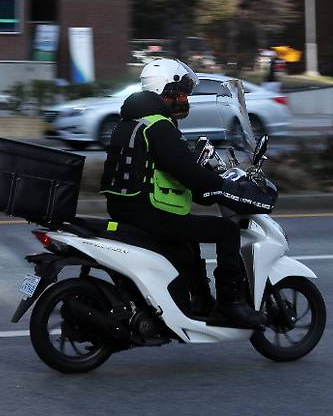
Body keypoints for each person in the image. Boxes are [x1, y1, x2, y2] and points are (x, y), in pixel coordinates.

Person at [101, 58, 274, 329]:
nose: (186, 100)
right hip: (149, 214)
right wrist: (222, 187)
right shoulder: (159, 127)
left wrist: (205, 187)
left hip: (128, 209)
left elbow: (167, 171)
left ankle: (201, 301)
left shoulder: (131, 123)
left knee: (189, 240)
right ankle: (231, 306)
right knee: (226, 231)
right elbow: (187, 172)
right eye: (180, 94)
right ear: (163, 93)